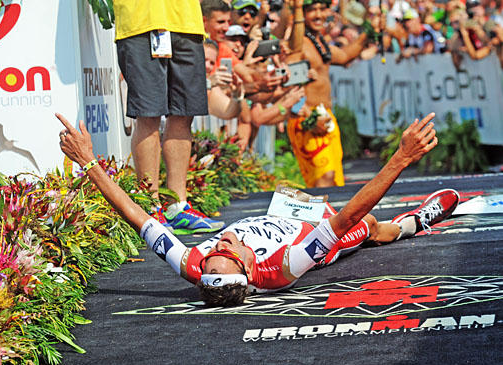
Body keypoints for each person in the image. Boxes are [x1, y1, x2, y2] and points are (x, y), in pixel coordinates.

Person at [56, 111, 460, 307]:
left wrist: (89, 162)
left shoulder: (192, 264)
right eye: (228, 254)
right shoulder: (282, 267)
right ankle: (414, 222)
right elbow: (348, 217)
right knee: (369, 226)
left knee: (296, 193)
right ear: (250, 270)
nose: (221, 244)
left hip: (283, 210)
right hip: (313, 231)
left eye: (213, 254)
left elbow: (135, 215)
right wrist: (401, 158)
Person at [114, 0, 224, 234]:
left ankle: (178, 206)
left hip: (187, 23)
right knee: (148, 115)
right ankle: (150, 206)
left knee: (183, 114)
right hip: (141, 21)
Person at [284, 0, 382, 188]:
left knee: (334, 183)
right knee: (325, 180)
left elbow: (345, 56)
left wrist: (370, 30)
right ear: (302, 13)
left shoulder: (318, 42)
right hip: (307, 119)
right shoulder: (298, 44)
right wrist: (309, 117)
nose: (318, 15)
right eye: (312, 10)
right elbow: (289, 85)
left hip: (325, 117)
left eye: (322, 9)